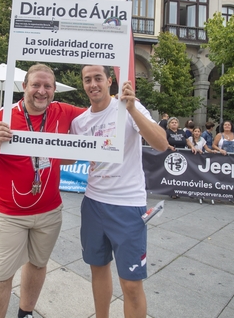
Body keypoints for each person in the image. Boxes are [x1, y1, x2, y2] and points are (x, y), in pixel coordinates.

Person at [0, 63, 85, 318]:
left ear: (54, 90)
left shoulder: (62, 112)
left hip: (49, 211)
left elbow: (98, 114)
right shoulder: (3, 117)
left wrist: (121, 102)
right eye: (36, 85)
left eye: (47, 86)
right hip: (8, 213)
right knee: (0, 274)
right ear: (24, 87)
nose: (41, 91)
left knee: (39, 264)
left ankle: (26, 313)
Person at [70, 65, 168, 318]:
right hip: (93, 203)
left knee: (132, 284)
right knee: (98, 271)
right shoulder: (80, 123)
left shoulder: (128, 106)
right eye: (87, 79)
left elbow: (161, 143)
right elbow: (68, 156)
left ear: (109, 81)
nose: (93, 84)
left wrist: (133, 108)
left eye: (98, 78)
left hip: (127, 206)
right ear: (83, 84)